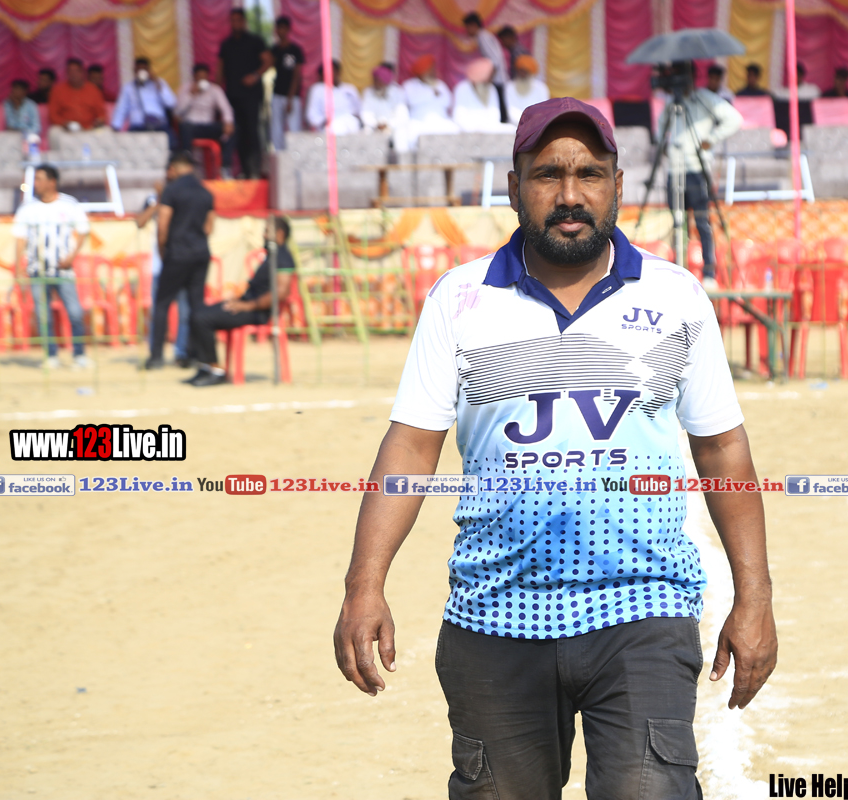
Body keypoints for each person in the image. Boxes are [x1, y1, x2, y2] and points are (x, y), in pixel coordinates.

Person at [333, 95, 777, 800]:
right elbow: (412, 448)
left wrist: (755, 597)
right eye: (547, 175)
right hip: (494, 617)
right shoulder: (459, 299)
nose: (570, 195)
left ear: (616, 185)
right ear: (514, 188)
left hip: (642, 610)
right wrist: (364, 585)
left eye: (589, 173)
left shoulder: (676, 298)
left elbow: (723, 450)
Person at [657, 61, 742, 288]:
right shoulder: (671, 103)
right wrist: (662, 144)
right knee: (677, 223)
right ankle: (678, 274)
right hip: (675, 169)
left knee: (702, 221)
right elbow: (660, 126)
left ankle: (709, 273)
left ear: (691, 78)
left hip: (696, 168)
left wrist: (711, 139)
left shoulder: (704, 98)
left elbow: (735, 119)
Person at [184, 216, 295, 387]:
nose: (264, 235)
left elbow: (280, 293)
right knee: (198, 311)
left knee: (202, 318)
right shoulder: (271, 256)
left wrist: (248, 305)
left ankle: (216, 371)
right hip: (248, 305)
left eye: (267, 231)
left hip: (258, 312)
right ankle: (205, 367)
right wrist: (238, 300)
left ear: (279, 234)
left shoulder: (283, 258)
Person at [12, 164, 92, 370]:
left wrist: (71, 256)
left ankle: (79, 355)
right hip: (37, 271)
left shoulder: (69, 205)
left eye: (39, 179)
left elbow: (83, 230)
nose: (35, 183)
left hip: (63, 270)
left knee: (74, 313)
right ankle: (51, 356)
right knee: (43, 316)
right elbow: (20, 239)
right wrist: (18, 266)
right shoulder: (28, 208)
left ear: (52, 182)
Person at [146, 151, 214, 370]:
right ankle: (194, 355)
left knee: (162, 304)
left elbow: (162, 225)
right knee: (196, 306)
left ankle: (156, 356)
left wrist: (163, 251)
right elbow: (209, 227)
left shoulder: (172, 190)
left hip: (177, 254)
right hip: (200, 253)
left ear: (173, 168)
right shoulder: (205, 192)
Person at [136, 164, 191, 367]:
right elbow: (140, 222)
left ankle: (182, 353)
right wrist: (160, 201)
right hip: (161, 267)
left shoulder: (186, 197)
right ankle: (156, 354)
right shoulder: (155, 199)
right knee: (159, 312)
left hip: (181, 262)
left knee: (185, 313)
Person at [217, 8, 271, 178]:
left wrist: (255, 75)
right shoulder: (226, 44)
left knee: (252, 131)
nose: (236, 23)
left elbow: (268, 60)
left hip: (252, 95)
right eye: (233, 20)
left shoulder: (255, 41)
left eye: (238, 20)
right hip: (232, 95)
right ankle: (244, 170)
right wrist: (216, 92)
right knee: (237, 133)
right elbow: (220, 69)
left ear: (244, 22)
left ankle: (255, 169)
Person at [176, 64, 236, 179]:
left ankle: (225, 167)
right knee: (184, 126)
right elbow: (177, 112)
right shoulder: (186, 89)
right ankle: (187, 166)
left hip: (208, 127)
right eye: (199, 77)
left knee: (234, 128)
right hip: (191, 127)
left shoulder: (215, 89)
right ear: (194, 77)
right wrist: (191, 95)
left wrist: (228, 122)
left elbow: (226, 109)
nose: (202, 80)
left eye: (205, 77)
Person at [112, 57, 177, 147]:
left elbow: (171, 103)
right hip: (138, 126)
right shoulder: (128, 88)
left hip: (159, 126)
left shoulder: (159, 83)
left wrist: (157, 84)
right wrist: (115, 127)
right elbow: (121, 109)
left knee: (172, 145)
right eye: (139, 70)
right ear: (134, 71)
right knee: (128, 146)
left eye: (144, 70)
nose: (141, 72)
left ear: (148, 70)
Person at [463, 11, 509, 122]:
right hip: (497, 78)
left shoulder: (482, 36)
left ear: (473, 25)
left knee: (501, 112)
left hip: (497, 79)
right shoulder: (484, 36)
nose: (466, 31)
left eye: (467, 27)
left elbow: (495, 60)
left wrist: (488, 78)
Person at [403, 55, 459, 143]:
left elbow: (449, 102)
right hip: (419, 122)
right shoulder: (409, 85)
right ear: (422, 72)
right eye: (430, 70)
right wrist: (431, 93)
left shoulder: (440, 84)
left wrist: (435, 91)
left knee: (454, 129)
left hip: (440, 121)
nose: (433, 72)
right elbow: (412, 101)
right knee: (409, 132)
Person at [270, 15, 305, 151]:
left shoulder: (295, 50)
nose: (281, 31)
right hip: (277, 93)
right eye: (279, 28)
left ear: (288, 30)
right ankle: (279, 156)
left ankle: (295, 154)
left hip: (292, 96)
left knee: (294, 128)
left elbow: (297, 75)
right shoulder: (274, 50)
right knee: (276, 128)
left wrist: (290, 98)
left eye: (283, 28)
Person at [452, 58, 509, 133]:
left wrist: (488, 127)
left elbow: (495, 114)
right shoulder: (462, 88)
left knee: (511, 129)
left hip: (490, 128)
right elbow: (459, 117)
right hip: (469, 129)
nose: (491, 79)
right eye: (490, 75)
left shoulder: (491, 88)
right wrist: (476, 129)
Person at [361, 63, 411, 149]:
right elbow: (365, 114)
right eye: (375, 80)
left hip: (393, 127)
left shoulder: (398, 92)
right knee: (366, 131)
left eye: (378, 80)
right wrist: (376, 124)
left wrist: (388, 125)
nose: (376, 83)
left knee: (401, 133)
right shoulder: (368, 92)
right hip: (375, 127)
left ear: (385, 81)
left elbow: (403, 116)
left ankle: (401, 157)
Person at [48, 58, 107, 130]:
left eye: (76, 71)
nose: (73, 74)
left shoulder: (93, 90)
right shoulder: (57, 90)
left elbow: (101, 114)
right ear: (66, 73)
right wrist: (64, 123)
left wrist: (99, 121)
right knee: (54, 131)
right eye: (70, 71)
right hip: (65, 129)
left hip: (90, 129)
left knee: (106, 132)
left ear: (82, 72)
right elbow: (53, 115)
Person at [306, 60, 362, 134]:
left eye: (333, 71)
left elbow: (359, 111)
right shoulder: (317, 89)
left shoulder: (350, 89)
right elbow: (311, 115)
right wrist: (324, 121)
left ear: (338, 72)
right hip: (329, 125)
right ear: (322, 74)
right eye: (327, 71)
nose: (331, 74)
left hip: (350, 123)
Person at [504, 55, 549, 125]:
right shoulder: (510, 87)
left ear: (531, 73)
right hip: (515, 126)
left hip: (536, 125)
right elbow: (511, 112)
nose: (523, 74)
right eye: (521, 71)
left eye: (526, 72)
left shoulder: (541, 88)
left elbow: (543, 112)